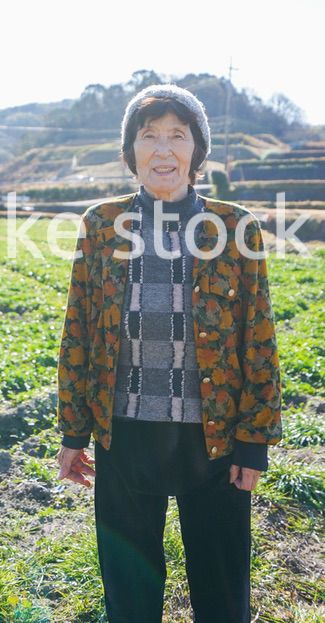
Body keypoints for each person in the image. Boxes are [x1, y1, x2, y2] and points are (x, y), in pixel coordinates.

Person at [55, 84, 283, 623]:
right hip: (124, 435)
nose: (163, 149)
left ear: (196, 151)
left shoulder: (233, 227)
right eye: (148, 135)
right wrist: (73, 433)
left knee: (222, 591)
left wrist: (253, 443)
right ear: (130, 151)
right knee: (130, 594)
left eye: (177, 136)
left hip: (215, 440)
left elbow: (260, 339)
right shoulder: (101, 223)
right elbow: (79, 333)